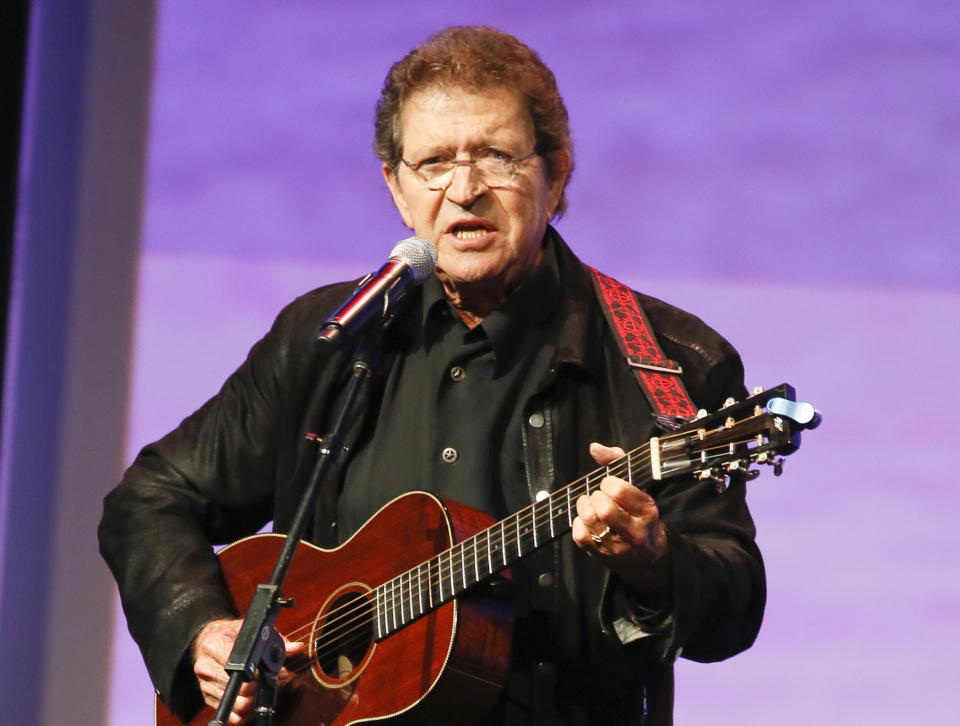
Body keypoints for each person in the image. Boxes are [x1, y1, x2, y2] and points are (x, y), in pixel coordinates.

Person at [99, 25, 765, 726]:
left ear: (557, 171)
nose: (465, 189)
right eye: (434, 163)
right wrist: (202, 630)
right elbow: (150, 499)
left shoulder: (667, 358)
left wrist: (654, 564)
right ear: (396, 187)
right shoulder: (330, 338)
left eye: (497, 156)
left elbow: (734, 605)